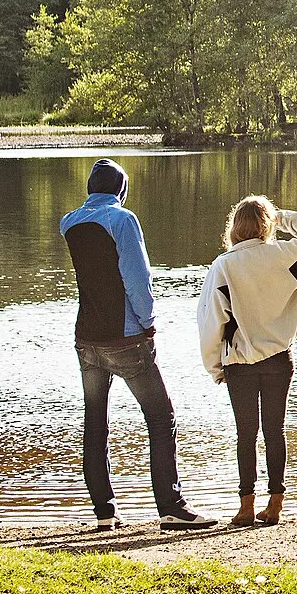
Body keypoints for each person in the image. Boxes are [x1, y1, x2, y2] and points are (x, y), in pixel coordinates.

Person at [59, 158, 215, 531]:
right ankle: (172, 507)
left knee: (95, 423)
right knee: (161, 417)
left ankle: (104, 513)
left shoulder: (70, 222)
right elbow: (137, 279)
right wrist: (148, 325)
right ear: (122, 189)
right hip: (125, 336)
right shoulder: (123, 220)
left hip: (87, 338)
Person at [196, 195, 297, 527]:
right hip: (279, 359)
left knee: (246, 433)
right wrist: (280, 218)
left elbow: (211, 321)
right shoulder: (283, 255)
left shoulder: (223, 266)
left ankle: (245, 506)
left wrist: (215, 367)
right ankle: (275, 504)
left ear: (234, 228)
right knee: (275, 430)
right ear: (266, 225)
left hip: (239, 361)